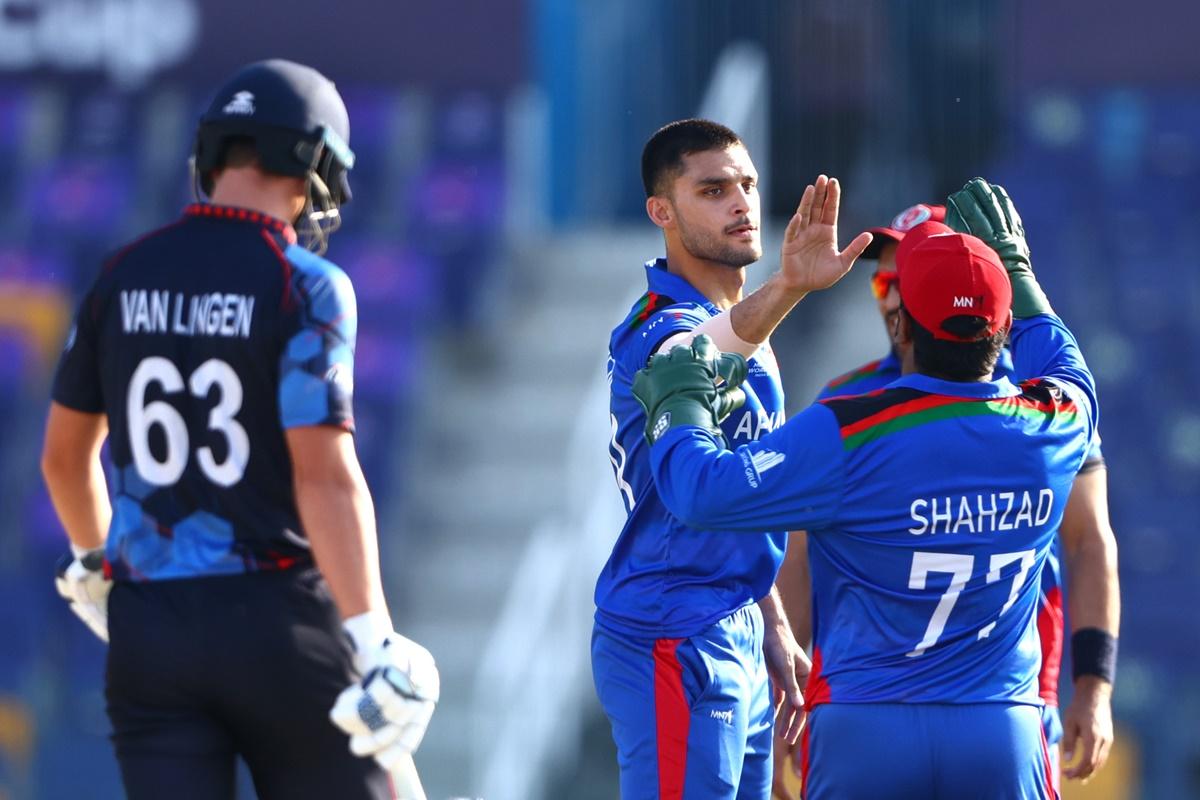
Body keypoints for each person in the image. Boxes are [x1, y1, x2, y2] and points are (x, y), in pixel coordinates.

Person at [631, 179, 1118, 799]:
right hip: (1001, 729)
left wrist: (681, 403)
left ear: (904, 325)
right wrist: (1017, 274)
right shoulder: (1059, 424)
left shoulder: (846, 428)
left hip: (865, 728)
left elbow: (700, 493)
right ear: (1002, 328)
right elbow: (1061, 356)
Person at [41, 59, 437, 800]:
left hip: (148, 629)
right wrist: (372, 638)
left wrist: (98, 565)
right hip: (275, 614)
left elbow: (65, 461)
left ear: (214, 153)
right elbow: (323, 474)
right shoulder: (305, 283)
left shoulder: (120, 273)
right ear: (314, 160)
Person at [771, 203, 1120, 795]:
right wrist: (785, 699)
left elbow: (1088, 540)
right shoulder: (845, 399)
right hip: (871, 708)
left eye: (905, 284)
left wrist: (1094, 686)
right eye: (884, 282)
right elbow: (801, 558)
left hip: (1008, 701)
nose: (889, 300)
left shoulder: (1034, 406)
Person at [593, 118, 871, 799]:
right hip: (670, 627)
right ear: (661, 210)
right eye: (713, 190)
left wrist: (770, 622)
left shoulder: (744, 319)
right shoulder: (655, 327)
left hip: (735, 623)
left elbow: (747, 495)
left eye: (746, 185)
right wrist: (789, 288)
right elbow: (689, 356)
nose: (741, 203)